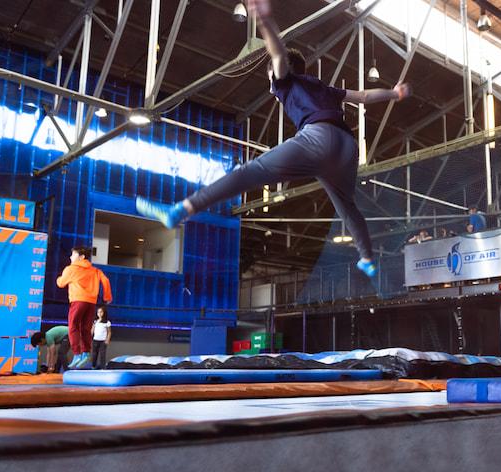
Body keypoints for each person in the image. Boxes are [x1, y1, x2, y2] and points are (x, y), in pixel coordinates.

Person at [135, 0, 411, 279]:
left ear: (283, 72)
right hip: (346, 148)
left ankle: (180, 211)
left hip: (318, 139)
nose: (270, 85)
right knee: (347, 207)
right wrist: (394, 94)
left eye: (270, 77)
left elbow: (278, 54)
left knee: (248, 172)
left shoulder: (286, 80)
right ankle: (366, 258)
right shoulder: (325, 88)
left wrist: (266, 21)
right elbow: (364, 97)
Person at [56, 246, 112, 369]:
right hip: (91, 302)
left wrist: (59, 278)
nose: (71, 257)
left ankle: (77, 354)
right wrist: (107, 297)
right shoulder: (95, 270)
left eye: (73, 255)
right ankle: (86, 353)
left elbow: (61, 283)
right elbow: (106, 281)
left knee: (73, 327)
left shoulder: (71, 269)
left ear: (81, 257)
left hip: (78, 301)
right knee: (85, 328)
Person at [90, 305, 111, 370]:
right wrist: (90, 337)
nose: (99, 314)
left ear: (104, 313)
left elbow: (109, 332)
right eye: (98, 312)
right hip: (95, 340)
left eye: (101, 312)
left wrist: (107, 339)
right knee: (94, 354)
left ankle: (103, 367)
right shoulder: (95, 321)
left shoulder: (107, 322)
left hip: (103, 341)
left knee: (102, 355)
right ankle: (93, 366)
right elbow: (92, 330)